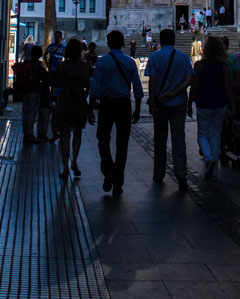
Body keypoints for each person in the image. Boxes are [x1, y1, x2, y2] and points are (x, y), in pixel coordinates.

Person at [89, 30, 143, 195]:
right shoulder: (130, 62)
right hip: (124, 104)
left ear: (108, 43)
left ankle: (108, 170)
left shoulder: (103, 61)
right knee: (122, 142)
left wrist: (90, 108)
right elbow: (138, 88)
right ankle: (118, 180)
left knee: (103, 139)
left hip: (106, 104)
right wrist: (138, 108)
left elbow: (95, 87)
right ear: (123, 43)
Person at [145, 28, 193, 190]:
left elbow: (152, 81)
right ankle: (181, 174)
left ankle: (159, 173)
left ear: (161, 40)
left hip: (160, 103)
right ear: (174, 40)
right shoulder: (183, 57)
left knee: (160, 138)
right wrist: (174, 93)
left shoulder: (155, 56)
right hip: (178, 102)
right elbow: (189, 80)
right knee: (179, 138)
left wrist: (152, 102)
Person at [188, 36, 234, 180]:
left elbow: (194, 86)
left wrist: (189, 103)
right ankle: (213, 173)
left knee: (202, 134)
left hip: (204, 103)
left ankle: (209, 159)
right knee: (215, 135)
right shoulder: (224, 66)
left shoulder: (199, 66)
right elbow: (228, 87)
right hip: (221, 104)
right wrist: (232, 105)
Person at [53, 38, 91, 180]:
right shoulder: (83, 66)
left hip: (65, 101)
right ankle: (74, 160)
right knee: (78, 133)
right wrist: (84, 98)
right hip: (79, 102)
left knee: (65, 135)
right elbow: (88, 85)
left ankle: (65, 167)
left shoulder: (63, 66)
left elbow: (57, 84)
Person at [44, 30, 66, 141]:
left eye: (58, 37)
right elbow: (45, 55)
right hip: (52, 71)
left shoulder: (63, 48)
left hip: (58, 71)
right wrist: (48, 64)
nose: (57, 38)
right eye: (56, 37)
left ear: (61, 37)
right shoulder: (51, 46)